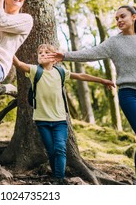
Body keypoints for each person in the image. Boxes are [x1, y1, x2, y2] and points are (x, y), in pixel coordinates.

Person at [47, 5, 136, 185]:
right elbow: (90, 53)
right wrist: (64, 56)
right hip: (129, 95)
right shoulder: (113, 43)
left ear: (134, 17)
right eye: (116, 18)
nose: (119, 21)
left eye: (122, 16)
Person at [13, 43, 115, 184]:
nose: (42, 54)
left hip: (60, 120)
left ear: (55, 59)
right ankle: (56, 176)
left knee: (60, 149)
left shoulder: (60, 72)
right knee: (51, 151)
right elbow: (18, 64)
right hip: (41, 120)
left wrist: (102, 80)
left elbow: (80, 75)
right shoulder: (35, 71)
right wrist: (5, 48)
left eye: (46, 52)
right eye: (40, 53)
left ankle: (58, 179)